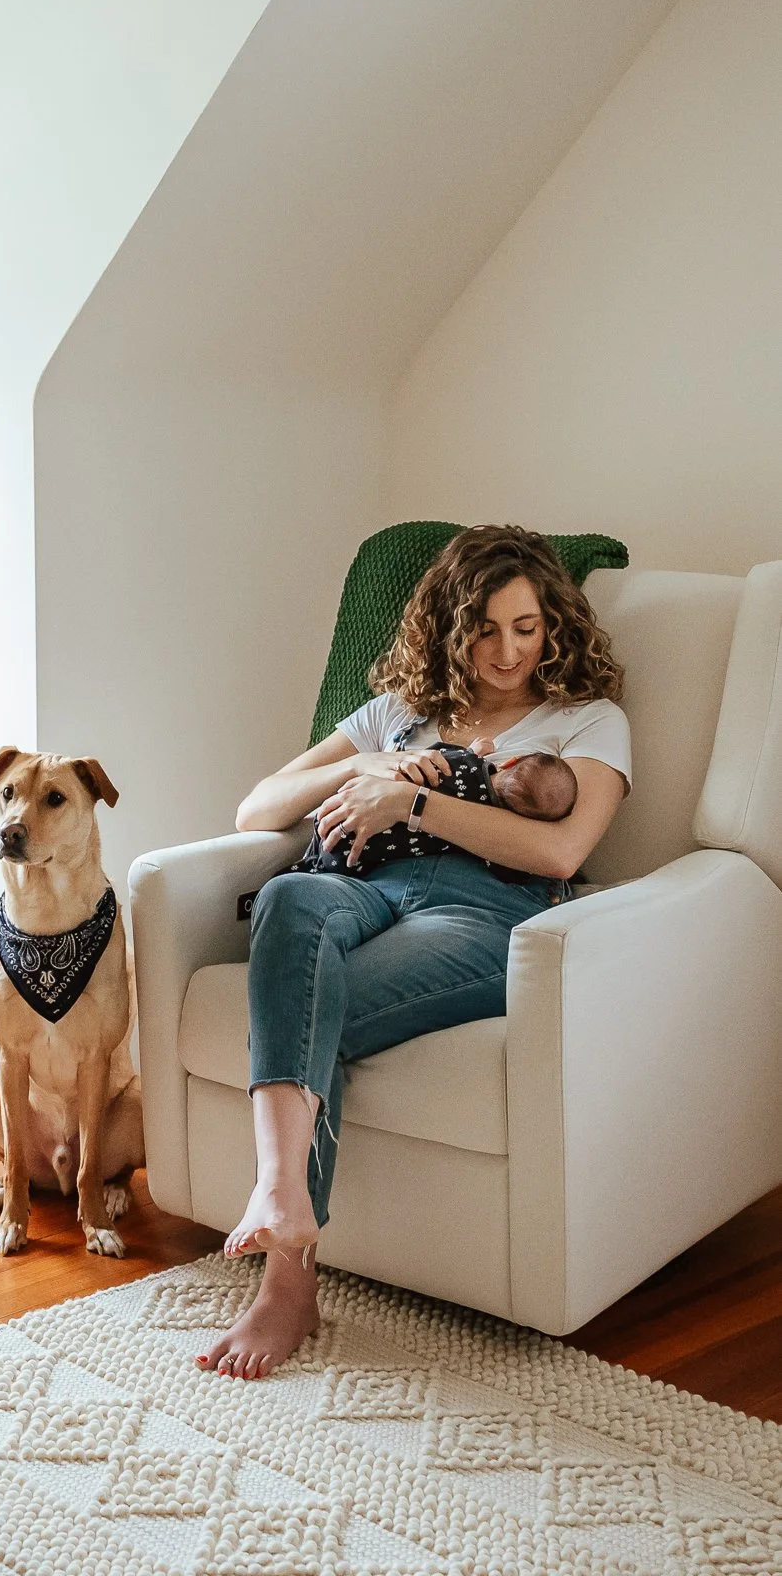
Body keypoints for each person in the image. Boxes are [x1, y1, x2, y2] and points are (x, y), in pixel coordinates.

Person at [199, 524, 630, 1381]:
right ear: (448, 626)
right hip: (360, 885)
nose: (506, 652)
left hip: (481, 912)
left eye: (526, 627)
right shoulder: (397, 713)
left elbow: (558, 855)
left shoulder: (586, 721)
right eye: (484, 629)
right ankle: (283, 1194)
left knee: (307, 1007)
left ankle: (287, 1277)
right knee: (288, 895)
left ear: (554, 627)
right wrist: (381, 763)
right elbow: (257, 808)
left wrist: (413, 807)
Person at [294, 741, 579, 880]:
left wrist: (473, 749)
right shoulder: (482, 833)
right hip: (351, 861)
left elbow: (431, 754)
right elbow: (510, 871)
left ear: (509, 761)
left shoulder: (464, 761)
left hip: (337, 813)